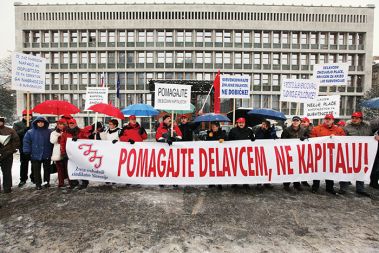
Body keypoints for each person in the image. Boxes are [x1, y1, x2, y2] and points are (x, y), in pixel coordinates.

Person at [310, 114, 346, 195]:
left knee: (330, 170)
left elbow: (343, 139)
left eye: (329, 119)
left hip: (332, 154)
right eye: (326, 119)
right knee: (317, 170)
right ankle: (315, 187)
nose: (327, 120)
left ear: (333, 120)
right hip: (319, 153)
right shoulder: (317, 128)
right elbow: (312, 138)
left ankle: (329, 187)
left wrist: (336, 137)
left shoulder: (338, 129)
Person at [341, 112, 371, 197]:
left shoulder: (367, 127)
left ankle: (360, 189)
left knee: (361, 170)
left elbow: (371, 136)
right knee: (346, 169)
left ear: (361, 119)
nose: (354, 119)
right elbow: (342, 139)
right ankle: (343, 188)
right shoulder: (346, 128)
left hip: (362, 152)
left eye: (356, 118)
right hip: (350, 152)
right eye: (353, 117)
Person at [23, 117, 53, 190]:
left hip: (46, 153)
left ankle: (46, 182)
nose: (40, 123)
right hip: (35, 154)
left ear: (45, 123)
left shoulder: (49, 132)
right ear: (36, 123)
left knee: (47, 170)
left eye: (42, 122)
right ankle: (38, 183)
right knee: (36, 171)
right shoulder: (30, 132)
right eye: (39, 122)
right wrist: (27, 151)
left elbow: (53, 142)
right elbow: (26, 142)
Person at [60, 118, 88, 189]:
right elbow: (62, 143)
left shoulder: (81, 131)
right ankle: (73, 183)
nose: (72, 125)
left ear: (75, 124)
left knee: (81, 168)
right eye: (70, 124)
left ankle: (84, 182)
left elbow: (86, 140)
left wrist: (78, 139)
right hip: (69, 154)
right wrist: (63, 152)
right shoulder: (65, 133)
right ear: (68, 124)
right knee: (70, 168)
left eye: (73, 123)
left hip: (79, 154)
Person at [281, 116, 307, 192]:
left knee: (297, 169)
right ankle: (286, 184)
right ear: (292, 121)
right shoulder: (286, 130)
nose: (295, 122)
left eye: (297, 121)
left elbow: (308, 138)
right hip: (289, 152)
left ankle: (297, 184)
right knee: (289, 168)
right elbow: (282, 140)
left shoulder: (303, 130)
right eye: (294, 121)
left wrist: (304, 138)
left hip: (299, 152)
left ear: (300, 122)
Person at [13, 109, 33, 187]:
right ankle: (23, 179)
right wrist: (25, 129)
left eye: (29, 115)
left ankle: (33, 177)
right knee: (24, 163)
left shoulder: (34, 124)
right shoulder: (17, 124)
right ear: (23, 116)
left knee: (34, 163)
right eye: (25, 115)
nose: (27, 117)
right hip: (23, 146)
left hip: (33, 146)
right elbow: (16, 134)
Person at [0, 116, 20, 193]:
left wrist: (11, 150)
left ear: (3, 122)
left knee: (7, 172)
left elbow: (16, 140)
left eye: (1, 121)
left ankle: (7, 187)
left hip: (7, 154)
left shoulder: (10, 130)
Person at [255, 120, 276, 190]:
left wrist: (271, 132)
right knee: (260, 167)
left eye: (264, 124)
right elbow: (258, 139)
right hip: (260, 151)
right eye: (262, 124)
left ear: (267, 125)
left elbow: (274, 139)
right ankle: (259, 183)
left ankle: (267, 182)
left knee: (268, 167)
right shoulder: (258, 131)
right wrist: (264, 131)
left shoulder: (271, 130)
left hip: (269, 152)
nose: (262, 125)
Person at [205, 121, 226, 189]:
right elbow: (206, 143)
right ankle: (212, 182)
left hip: (220, 154)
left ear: (218, 127)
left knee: (219, 168)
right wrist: (209, 136)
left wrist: (223, 139)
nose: (213, 128)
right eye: (212, 126)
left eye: (215, 126)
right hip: (211, 154)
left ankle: (219, 182)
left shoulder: (222, 133)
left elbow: (226, 139)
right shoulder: (209, 133)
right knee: (212, 168)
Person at [50, 119, 68, 188]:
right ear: (57, 125)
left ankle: (70, 181)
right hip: (58, 152)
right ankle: (61, 182)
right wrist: (59, 136)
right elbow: (52, 141)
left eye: (62, 124)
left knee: (67, 168)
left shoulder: (67, 132)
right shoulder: (53, 133)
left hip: (66, 152)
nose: (61, 126)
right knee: (59, 169)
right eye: (59, 124)